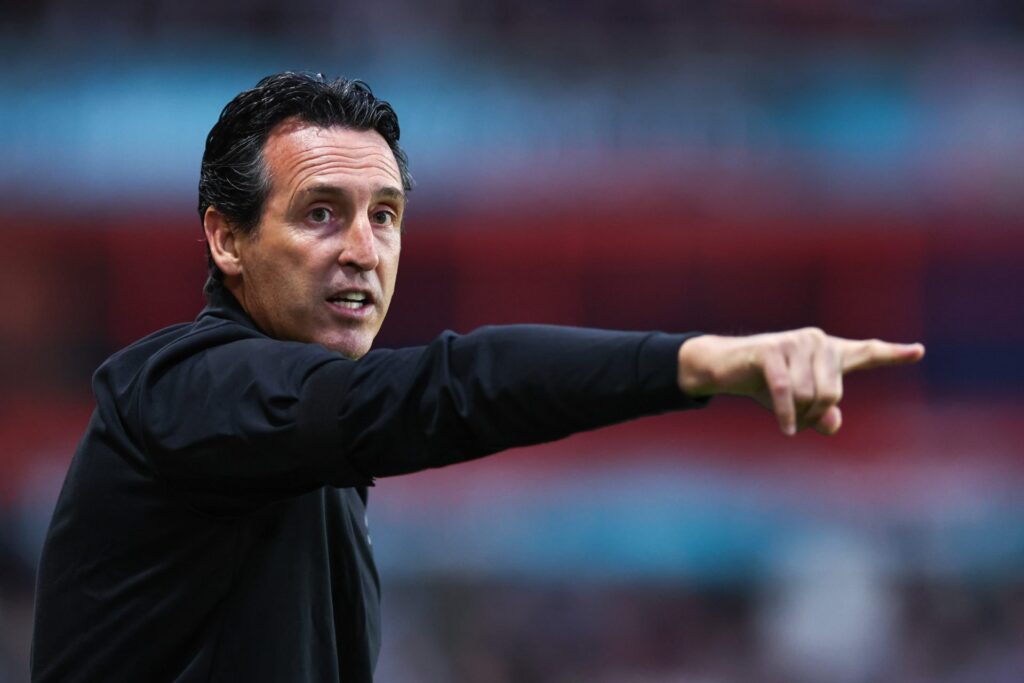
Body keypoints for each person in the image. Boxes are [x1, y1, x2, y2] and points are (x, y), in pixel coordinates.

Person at [30, 72, 924, 682]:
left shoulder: (296, 445)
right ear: (226, 237)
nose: (362, 251)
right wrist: (700, 361)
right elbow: (449, 389)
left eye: (386, 216)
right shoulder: (181, 392)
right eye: (320, 214)